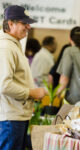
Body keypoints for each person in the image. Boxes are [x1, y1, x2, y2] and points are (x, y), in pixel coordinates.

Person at [0, 5, 46, 150]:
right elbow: (4, 85)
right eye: (24, 23)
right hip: (11, 119)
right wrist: (31, 93)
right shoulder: (6, 47)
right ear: (10, 23)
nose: (28, 27)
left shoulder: (14, 45)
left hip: (16, 116)